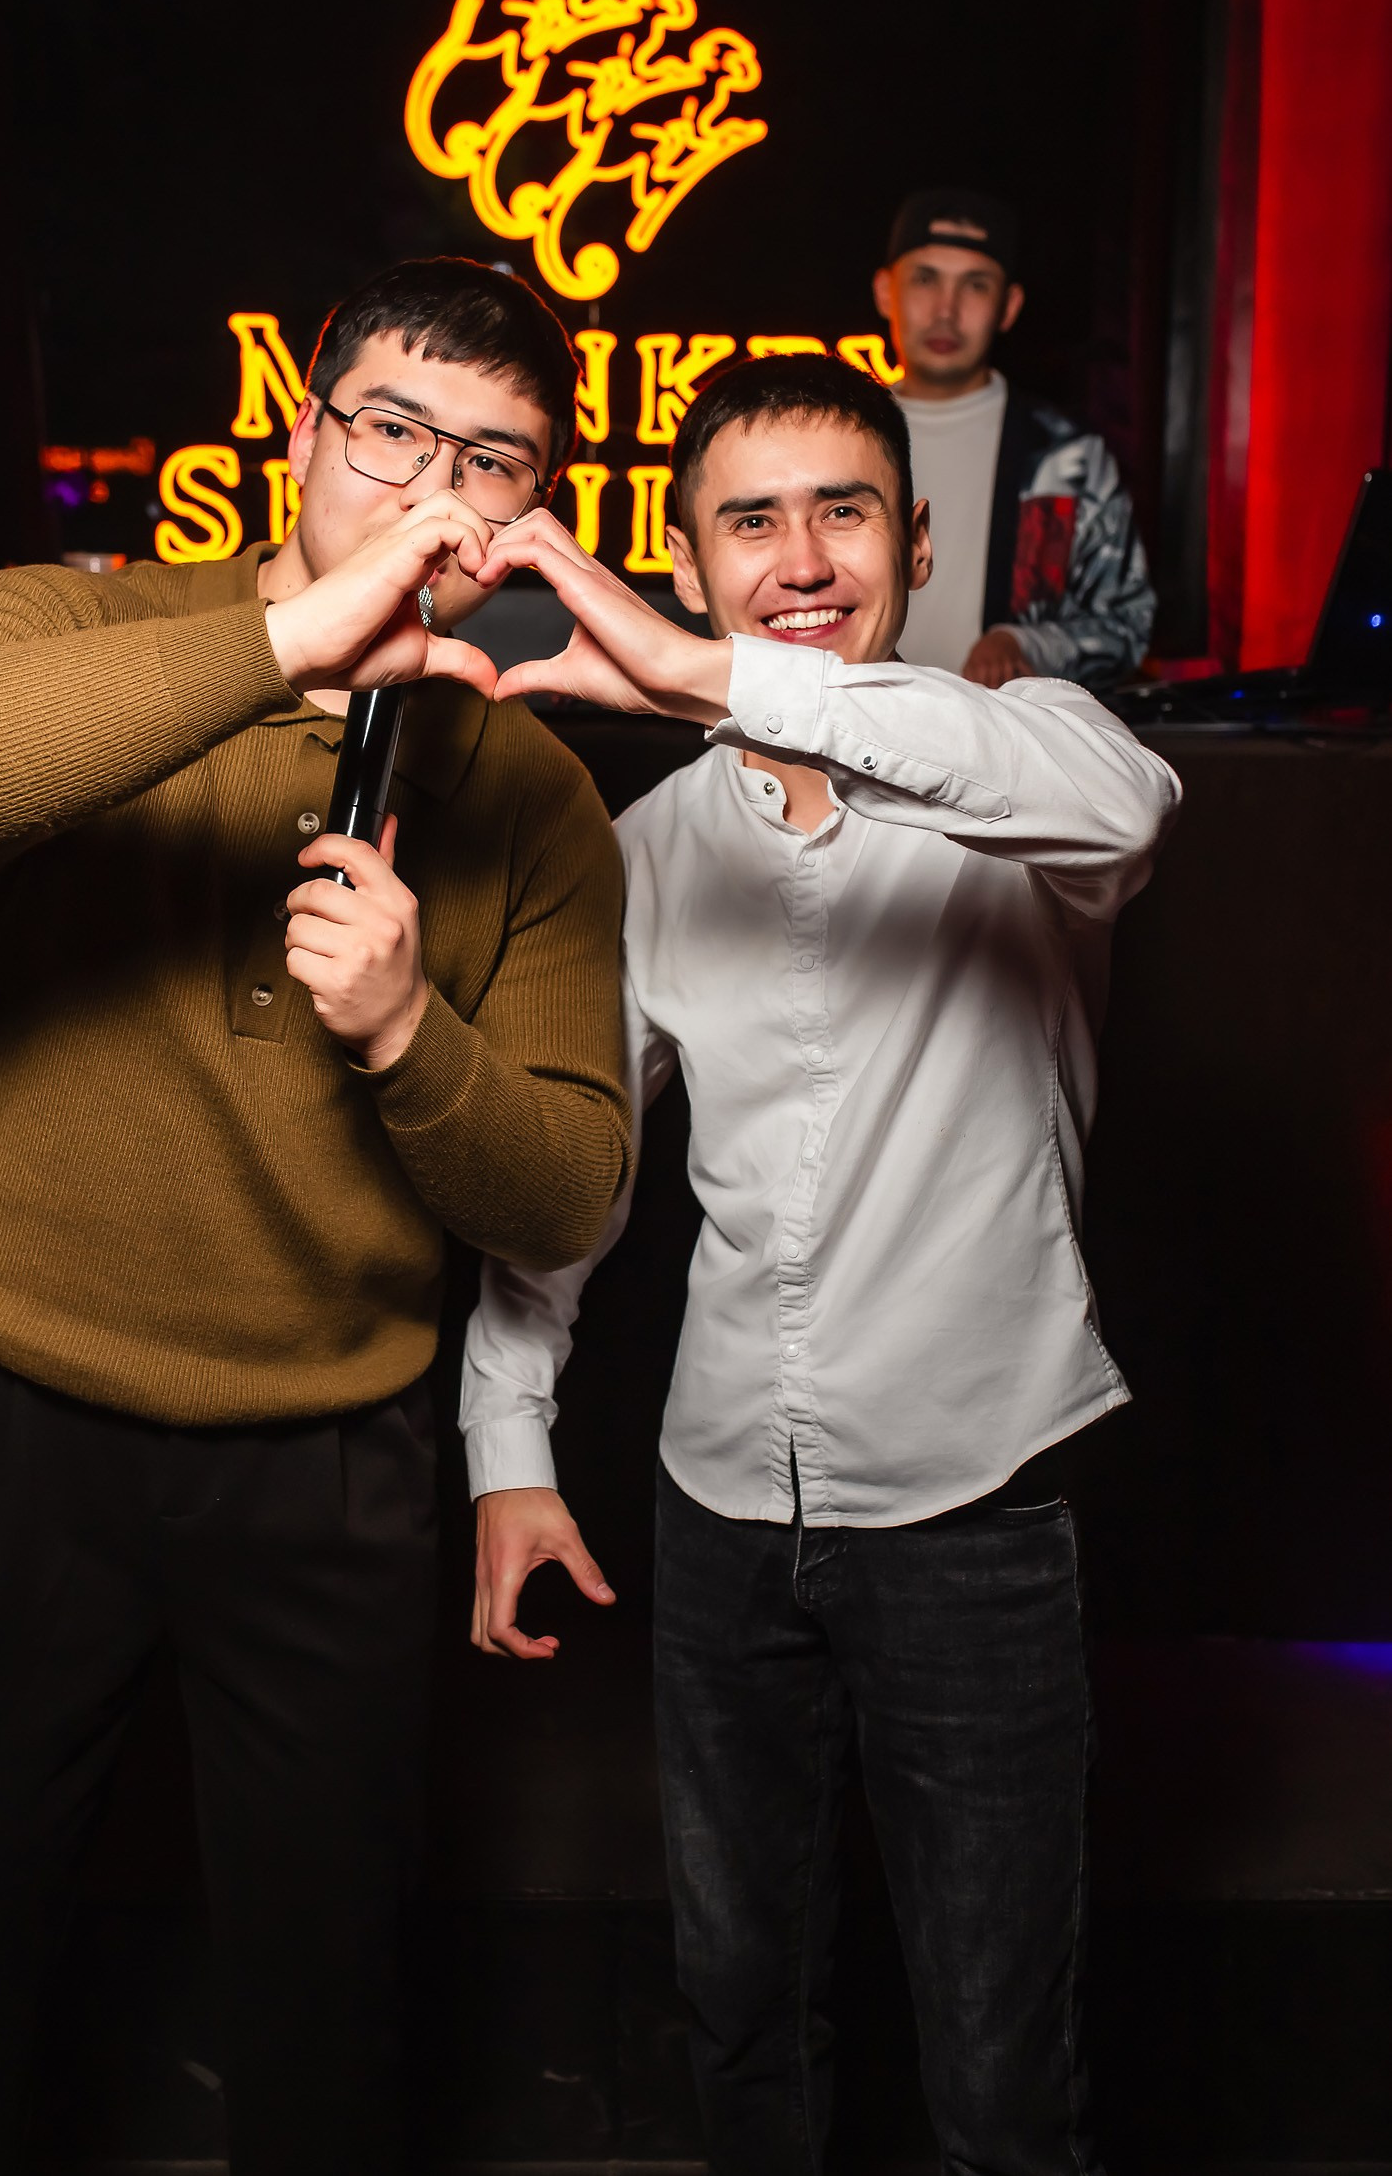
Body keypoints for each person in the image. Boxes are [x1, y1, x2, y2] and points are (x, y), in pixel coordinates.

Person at [0, 257, 632, 2175]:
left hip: (325, 1461)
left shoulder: (531, 796)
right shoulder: (75, 622)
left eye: (491, 465)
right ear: (303, 435)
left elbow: (566, 1190)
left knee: (325, 2025)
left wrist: (411, 1035)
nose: (432, 496)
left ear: (535, 510)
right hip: (13, 1423)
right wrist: (292, 649)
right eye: (393, 435)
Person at [460, 354, 1179, 2176]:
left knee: (999, 2075)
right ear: (686, 556)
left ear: (914, 543)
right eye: (749, 522)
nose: (798, 560)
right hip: (716, 1510)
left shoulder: (1033, 768)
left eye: (840, 513)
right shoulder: (646, 851)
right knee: (742, 2022)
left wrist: (699, 678)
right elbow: (577, 1175)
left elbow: (1131, 814)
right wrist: (509, 1446)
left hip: (972, 1504)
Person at [872, 185, 1156, 686]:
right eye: (925, 279)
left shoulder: (1067, 457)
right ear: (885, 292)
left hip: (1004, 730)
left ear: (1009, 306)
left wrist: (1024, 643)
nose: (946, 309)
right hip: (850, 727)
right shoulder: (840, 443)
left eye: (976, 285)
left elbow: (1127, 624)